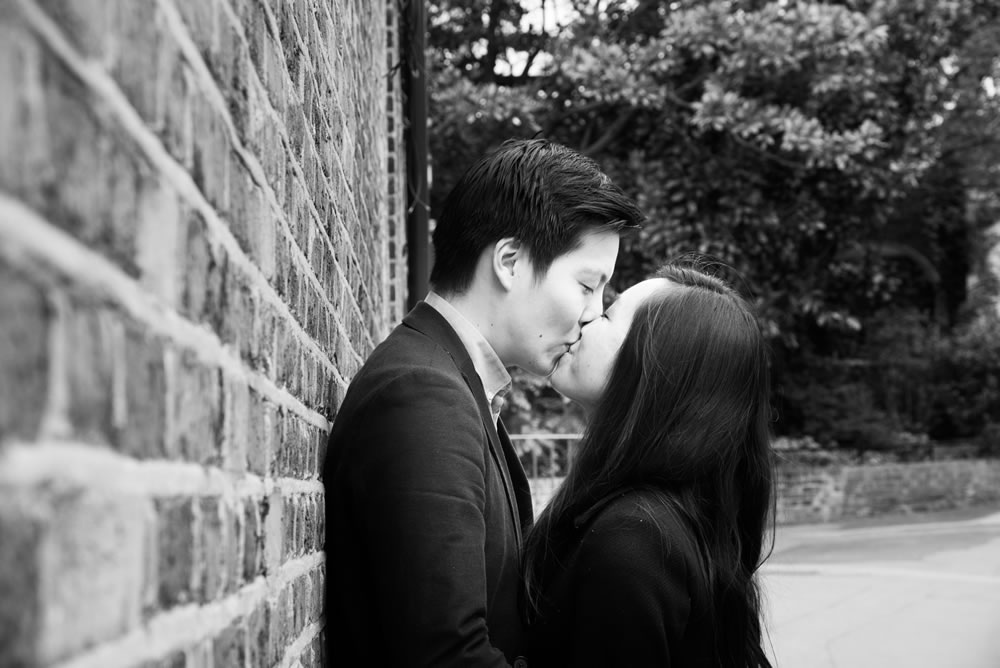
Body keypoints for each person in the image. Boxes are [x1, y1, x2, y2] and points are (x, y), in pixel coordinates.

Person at [324, 138, 644, 667]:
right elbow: (448, 656)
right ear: (510, 261)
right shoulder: (422, 395)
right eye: (588, 286)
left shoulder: (455, 383)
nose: (593, 314)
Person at [522, 262, 775, 667]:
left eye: (608, 315)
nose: (586, 316)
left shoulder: (634, 541)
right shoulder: (663, 523)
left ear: (656, 371)